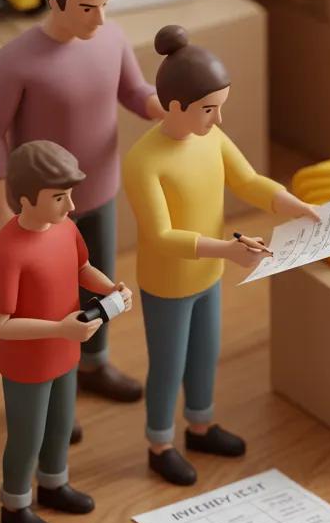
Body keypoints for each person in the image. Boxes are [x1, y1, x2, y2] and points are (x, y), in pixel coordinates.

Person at [0, 0, 161, 442]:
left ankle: (93, 363)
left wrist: (165, 107)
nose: (99, 18)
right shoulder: (16, 61)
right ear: (56, 2)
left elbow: (134, 92)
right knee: (47, 299)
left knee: (99, 283)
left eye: (105, 5)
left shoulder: (112, 37)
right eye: (86, 8)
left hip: (99, 189)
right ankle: (56, 388)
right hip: (44, 210)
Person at [124, 25, 319, 487]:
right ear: (174, 107)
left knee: (206, 353)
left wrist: (291, 203)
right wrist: (228, 251)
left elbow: (247, 180)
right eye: (209, 109)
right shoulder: (144, 161)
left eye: (220, 108)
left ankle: (201, 424)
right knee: (168, 365)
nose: (218, 120)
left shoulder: (210, 139)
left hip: (208, 273)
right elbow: (160, 236)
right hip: (168, 281)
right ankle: (159, 442)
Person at [0, 140, 133, 523]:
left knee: (60, 425)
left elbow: (82, 267)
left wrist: (110, 289)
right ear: (25, 200)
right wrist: (58, 329)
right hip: (27, 364)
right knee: (27, 434)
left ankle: (54, 483)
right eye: (59, 197)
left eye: (70, 196)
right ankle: (15, 503)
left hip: (65, 352)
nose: (71, 207)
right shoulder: (7, 250)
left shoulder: (67, 229)